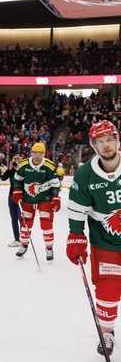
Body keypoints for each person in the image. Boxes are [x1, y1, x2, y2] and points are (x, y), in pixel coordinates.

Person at [67, 120, 121, 357]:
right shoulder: (84, 173)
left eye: (109, 139)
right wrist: (76, 235)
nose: (106, 146)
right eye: (99, 142)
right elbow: (77, 209)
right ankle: (107, 331)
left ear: (117, 140)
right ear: (94, 146)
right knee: (107, 291)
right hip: (104, 241)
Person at [12, 143, 60, 261]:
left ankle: (49, 248)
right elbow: (17, 179)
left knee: (46, 224)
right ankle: (23, 245)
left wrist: (55, 198)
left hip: (45, 199)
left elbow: (55, 184)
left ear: (43, 154)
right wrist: (17, 190)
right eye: (35, 153)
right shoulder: (24, 164)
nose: (37, 156)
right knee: (25, 224)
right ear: (31, 153)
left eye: (40, 154)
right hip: (28, 199)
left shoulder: (49, 166)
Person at [0, 153, 23, 247]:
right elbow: (3, 178)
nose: (16, 160)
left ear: (21, 159)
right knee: (13, 218)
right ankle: (17, 239)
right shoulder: (11, 169)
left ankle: (24, 239)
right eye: (14, 159)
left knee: (21, 218)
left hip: (22, 196)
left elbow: (25, 180)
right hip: (11, 195)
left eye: (18, 158)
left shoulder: (24, 169)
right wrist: (9, 169)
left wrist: (18, 168)